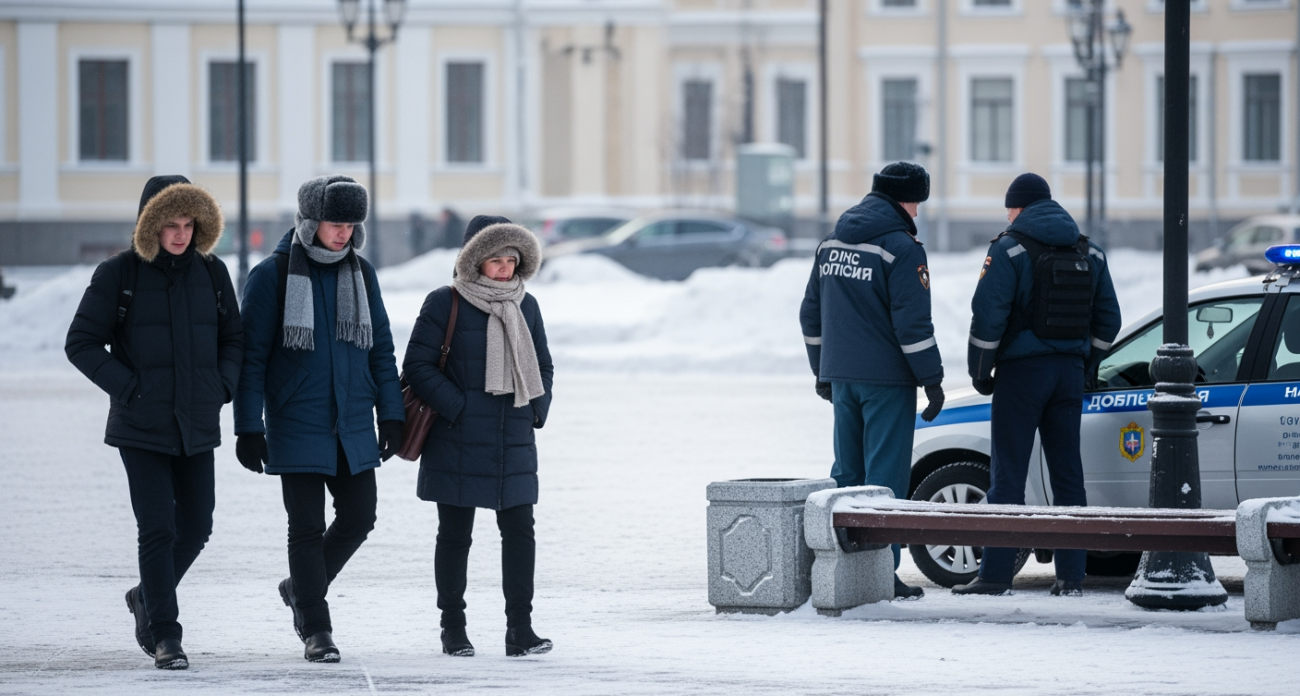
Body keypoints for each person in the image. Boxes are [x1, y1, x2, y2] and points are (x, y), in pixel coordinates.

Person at [65, 175, 243, 670]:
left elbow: (235, 339)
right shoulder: (118, 273)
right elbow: (80, 342)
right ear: (151, 225)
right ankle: (166, 633)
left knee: (199, 523)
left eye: (189, 224)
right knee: (158, 528)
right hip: (140, 426)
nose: (181, 234)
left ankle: (145, 595)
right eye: (171, 224)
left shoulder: (212, 273)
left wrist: (221, 387)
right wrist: (130, 388)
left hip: (196, 419)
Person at [233, 175, 404, 662]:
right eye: (335, 222)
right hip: (296, 419)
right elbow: (252, 359)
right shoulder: (273, 275)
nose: (344, 232)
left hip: (352, 420)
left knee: (359, 516)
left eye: (352, 223)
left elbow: (381, 349)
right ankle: (316, 626)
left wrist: (390, 414)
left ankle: (300, 588)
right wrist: (249, 426)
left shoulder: (362, 274)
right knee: (305, 527)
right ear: (311, 221)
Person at [955, 173, 1122, 597]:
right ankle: (1071, 577)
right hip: (1068, 375)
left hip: (1021, 375)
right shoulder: (1090, 251)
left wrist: (980, 369)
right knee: (1068, 474)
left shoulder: (1009, 249)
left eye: (1009, 207)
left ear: (1018, 207)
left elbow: (988, 315)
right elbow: (1110, 321)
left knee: (1008, 474)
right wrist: (1088, 361)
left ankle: (994, 576)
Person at [404, 215, 555, 657]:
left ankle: (520, 630)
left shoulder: (526, 305)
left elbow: (543, 364)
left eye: (512, 259)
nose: (505, 268)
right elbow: (416, 367)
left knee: (520, 532)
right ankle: (453, 628)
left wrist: (536, 411)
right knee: (454, 535)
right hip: (457, 437)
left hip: (513, 438)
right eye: (495, 259)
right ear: (474, 261)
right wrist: (460, 408)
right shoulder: (444, 302)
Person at [798, 162, 944, 600]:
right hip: (886, 381)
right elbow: (913, 325)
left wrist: (822, 369)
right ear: (904, 199)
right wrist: (932, 380)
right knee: (884, 477)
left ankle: (837, 567)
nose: (917, 213)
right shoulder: (902, 248)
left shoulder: (832, 242)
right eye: (916, 202)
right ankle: (882, 572)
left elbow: (810, 313)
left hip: (843, 377)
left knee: (847, 473)